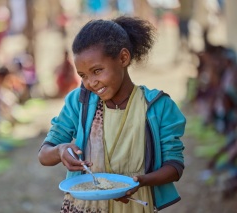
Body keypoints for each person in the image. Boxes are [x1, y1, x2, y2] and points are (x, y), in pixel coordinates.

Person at [38, 16, 186, 213]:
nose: (90, 82)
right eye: (83, 75)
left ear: (123, 58)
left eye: (97, 71)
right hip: (83, 207)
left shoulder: (157, 107)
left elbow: (174, 167)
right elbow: (44, 155)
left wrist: (141, 181)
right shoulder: (79, 102)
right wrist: (60, 151)